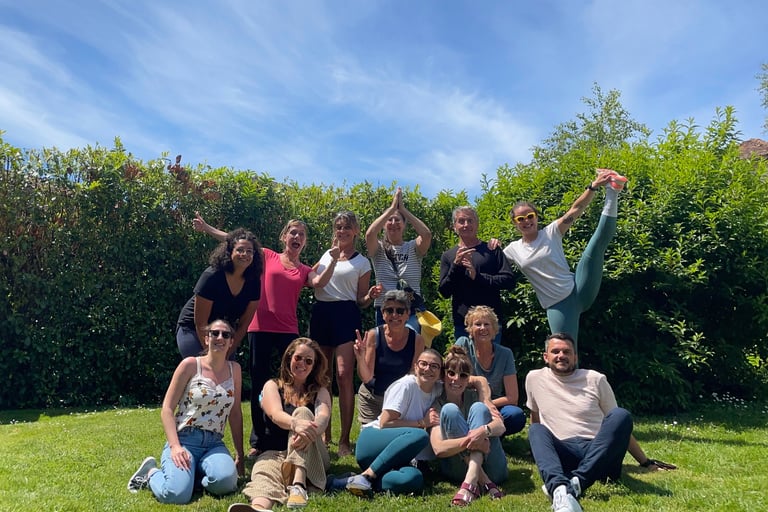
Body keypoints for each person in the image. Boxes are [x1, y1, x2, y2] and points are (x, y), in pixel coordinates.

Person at [193, 214, 337, 456]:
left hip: (288, 332)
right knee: (259, 383)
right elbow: (235, 240)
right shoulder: (267, 256)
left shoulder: (304, 270)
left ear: (304, 242)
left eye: (301, 235)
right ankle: (258, 441)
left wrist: (333, 258)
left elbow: (320, 281)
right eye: (293, 232)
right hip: (259, 328)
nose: (297, 237)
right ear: (284, 237)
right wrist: (207, 227)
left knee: (293, 381)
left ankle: (289, 434)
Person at [526, 332, 677, 512]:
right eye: (555, 351)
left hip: (599, 452)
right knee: (535, 429)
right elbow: (535, 416)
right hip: (564, 452)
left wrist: (645, 462)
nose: (561, 356)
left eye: (567, 352)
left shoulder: (595, 379)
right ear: (546, 357)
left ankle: (572, 486)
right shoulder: (534, 378)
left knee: (621, 415)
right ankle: (559, 487)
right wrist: (540, 451)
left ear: (575, 357)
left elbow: (617, 427)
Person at [500, 169, 625, 347]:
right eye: (521, 219)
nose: (526, 221)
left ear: (536, 217)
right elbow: (491, 264)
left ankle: (613, 191)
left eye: (530, 216)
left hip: (578, 287)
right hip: (558, 305)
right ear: (515, 223)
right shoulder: (512, 249)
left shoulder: (551, 232)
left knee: (596, 246)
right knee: (564, 349)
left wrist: (593, 186)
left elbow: (576, 209)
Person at [127, 319, 243, 503]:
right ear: (206, 339)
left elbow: (235, 413)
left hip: (214, 444)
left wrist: (240, 455)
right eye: (214, 333)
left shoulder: (234, 369)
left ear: (231, 342)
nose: (220, 337)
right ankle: (151, 474)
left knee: (227, 483)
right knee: (176, 495)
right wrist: (175, 446)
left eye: (225, 334)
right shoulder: (190, 365)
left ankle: (192, 476)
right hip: (185, 440)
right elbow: (167, 408)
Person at [227, 337, 332, 511]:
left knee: (303, 412)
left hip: (312, 453)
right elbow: (275, 414)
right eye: (298, 358)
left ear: (314, 366)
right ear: (289, 358)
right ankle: (259, 507)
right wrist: (295, 424)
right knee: (263, 474)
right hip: (275, 453)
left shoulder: (320, 391)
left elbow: (323, 417)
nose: (302, 364)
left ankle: (298, 484)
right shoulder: (272, 386)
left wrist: (309, 428)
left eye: (308, 361)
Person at [310, 210, 380, 456]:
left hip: (346, 314)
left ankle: (344, 440)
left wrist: (369, 296)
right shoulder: (326, 254)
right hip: (321, 313)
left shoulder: (362, 262)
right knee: (322, 375)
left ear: (356, 231)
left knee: (343, 375)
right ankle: (325, 433)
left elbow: (360, 300)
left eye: (347, 227)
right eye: (339, 227)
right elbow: (312, 278)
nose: (342, 231)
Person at [343, 348, 445, 496]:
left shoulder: (437, 389)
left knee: (414, 479)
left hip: (396, 454)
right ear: (415, 367)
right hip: (373, 440)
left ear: (440, 373)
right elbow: (385, 423)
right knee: (420, 436)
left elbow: (464, 381)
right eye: (423, 364)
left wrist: (478, 385)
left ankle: (350, 482)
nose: (428, 369)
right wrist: (421, 422)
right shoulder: (406, 386)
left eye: (434, 366)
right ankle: (367, 475)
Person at [430, 345, 508, 506]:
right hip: (457, 469)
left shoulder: (475, 397)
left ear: (468, 379)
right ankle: (481, 480)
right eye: (451, 373)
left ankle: (471, 481)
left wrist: (484, 431)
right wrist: (474, 440)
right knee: (450, 410)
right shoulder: (436, 405)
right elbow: (438, 448)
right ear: (444, 376)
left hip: (494, 469)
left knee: (479, 408)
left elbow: (501, 426)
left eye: (463, 375)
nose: (456, 379)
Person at [176, 228, 262, 358]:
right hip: (193, 329)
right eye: (240, 250)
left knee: (227, 368)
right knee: (201, 367)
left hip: (224, 333)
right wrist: (211, 356)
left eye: (249, 251)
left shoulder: (254, 282)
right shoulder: (212, 276)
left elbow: (244, 325)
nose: (245, 254)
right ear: (230, 252)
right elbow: (200, 322)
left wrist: (228, 352)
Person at [439, 205, 516, 341]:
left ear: (477, 224)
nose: (466, 225)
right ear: (454, 226)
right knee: (464, 356)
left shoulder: (492, 250)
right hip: (463, 325)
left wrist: (478, 277)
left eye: (470, 221)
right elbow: (444, 291)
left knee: (491, 356)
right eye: (461, 221)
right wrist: (455, 266)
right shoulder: (448, 256)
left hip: (490, 323)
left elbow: (509, 281)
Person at [353, 289, 426, 426]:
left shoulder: (417, 340)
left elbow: (413, 376)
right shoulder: (374, 335)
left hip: (400, 401)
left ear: (407, 314)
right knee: (370, 437)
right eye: (389, 310)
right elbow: (366, 377)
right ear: (383, 313)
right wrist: (360, 358)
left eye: (400, 311)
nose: (394, 315)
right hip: (373, 398)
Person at [365, 187, 432, 331]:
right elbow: (370, 235)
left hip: (410, 309)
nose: (393, 223)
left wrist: (403, 209)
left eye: (398, 219)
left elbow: (426, 234)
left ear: (404, 225)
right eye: (389, 220)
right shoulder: (379, 249)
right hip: (385, 309)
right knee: (385, 343)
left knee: (409, 338)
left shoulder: (413, 247)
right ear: (384, 225)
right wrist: (392, 208)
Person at [454, 306, 526, 438]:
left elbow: (512, 397)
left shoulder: (505, 354)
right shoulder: (463, 345)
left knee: (515, 415)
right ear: (470, 329)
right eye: (477, 324)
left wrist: (488, 404)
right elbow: (453, 377)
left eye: (487, 324)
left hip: (494, 405)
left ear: (494, 329)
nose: (482, 328)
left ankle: (491, 434)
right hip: (466, 404)